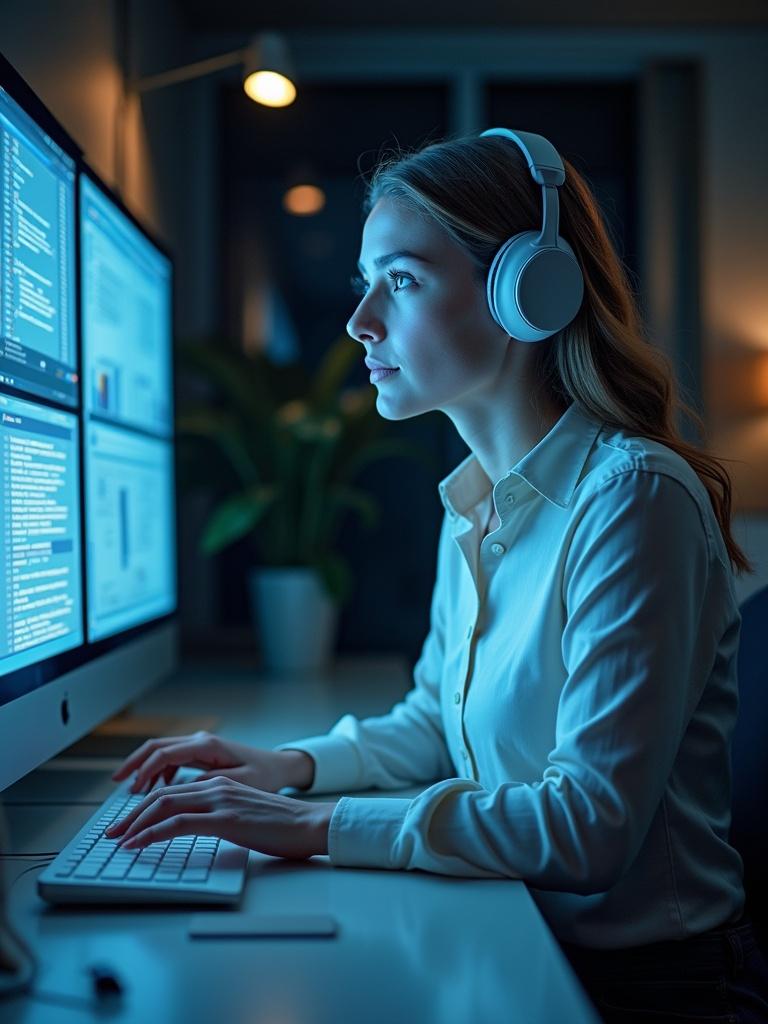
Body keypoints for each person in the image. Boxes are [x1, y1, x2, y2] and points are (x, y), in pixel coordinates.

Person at [106, 128, 768, 1022]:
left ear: (526, 295)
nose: (359, 320)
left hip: (649, 989)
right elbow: (435, 719)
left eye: (403, 281)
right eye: (364, 282)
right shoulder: (475, 498)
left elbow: (588, 827)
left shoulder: (633, 500)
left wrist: (315, 830)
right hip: (521, 937)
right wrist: (289, 767)